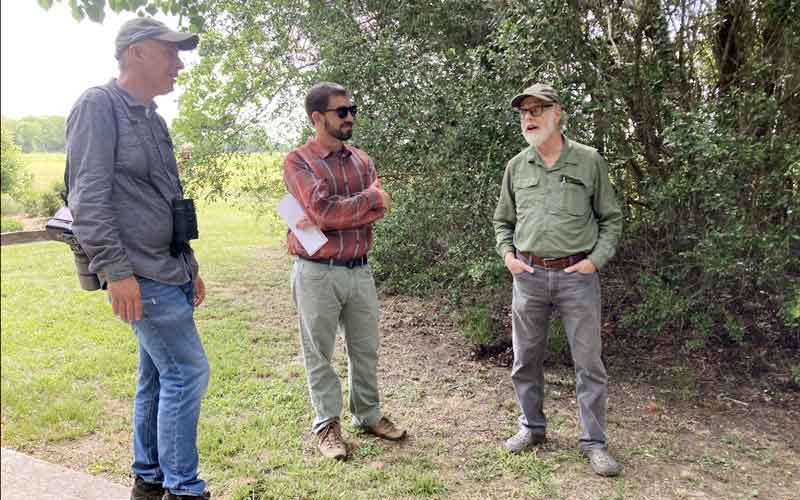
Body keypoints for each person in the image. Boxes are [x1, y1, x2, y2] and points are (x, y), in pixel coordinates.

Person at [65, 17, 211, 499]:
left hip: (169, 269)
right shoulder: (97, 106)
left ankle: (149, 480)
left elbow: (168, 199)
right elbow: (87, 196)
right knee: (187, 372)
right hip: (139, 272)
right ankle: (183, 489)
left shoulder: (153, 118)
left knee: (157, 376)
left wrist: (189, 265)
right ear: (137, 52)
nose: (179, 64)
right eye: (170, 52)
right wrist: (115, 270)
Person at [493, 83, 624, 477]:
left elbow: (611, 218)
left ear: (557, 114)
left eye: (537, 109)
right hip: (528, 277)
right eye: (524, 112)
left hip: (576, 277)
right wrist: (508, 256)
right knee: (525, 360)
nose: (529, 118)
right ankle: (531, 428)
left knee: (588, 362)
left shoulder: (588, 161)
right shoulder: (517, 166)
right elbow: (503, 220)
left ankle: (594, 443)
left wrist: (595, 261)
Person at [283, 82, 407, 460]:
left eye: (352, 109)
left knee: (366, 349)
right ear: (317, 117)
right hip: (317, 271)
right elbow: (321, 211)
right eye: (342, 111)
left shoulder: (363, 161)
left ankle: (367, 415)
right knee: (319, 354)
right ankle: (327, 428)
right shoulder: (298, 162)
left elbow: (375, 210)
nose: (350, 116)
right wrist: (365, 201)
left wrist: (341, 210)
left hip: (359, 269)